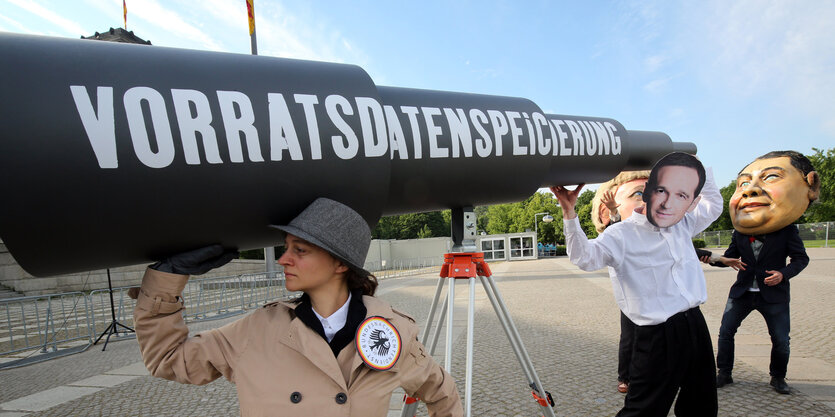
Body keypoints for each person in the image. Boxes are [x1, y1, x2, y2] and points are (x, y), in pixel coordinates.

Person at [130, 198, 463, 416]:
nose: (283, 259)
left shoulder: (391, 332)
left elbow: (441, 393)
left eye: (299, 250)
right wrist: (166, 280)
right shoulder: (258, 330)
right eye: (285, 247)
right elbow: (168, 359)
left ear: (340, 264)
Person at [552, 152, 722, 417]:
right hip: (657, 336)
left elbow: (713, 204)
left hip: (694, 325)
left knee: (701, 401)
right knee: (643, 410)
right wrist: (569, 212)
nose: (659, 198)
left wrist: (693, 163)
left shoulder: (682, 222)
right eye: (647, 192)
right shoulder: (621, 234)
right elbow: (583, 257)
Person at [714, 151, 819, 395]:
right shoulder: (740, 232)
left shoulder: (787, 231)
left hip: (774, 294)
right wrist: (718, 260)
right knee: (725, 333)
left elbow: (801, 259)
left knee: (781, 340)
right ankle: (724, 373)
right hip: (741, 292)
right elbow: (730, 256)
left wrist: (783, 274)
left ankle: (778, 377)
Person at [591, 170, 650, 394]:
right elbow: (614, 231)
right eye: (638, 193)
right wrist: (615, 212)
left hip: (657, 292)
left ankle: (653, 372)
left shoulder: (655, 229)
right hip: (632, 294)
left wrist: (714, 256)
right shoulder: (619, 233)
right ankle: (625, 376)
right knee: (630, 337)